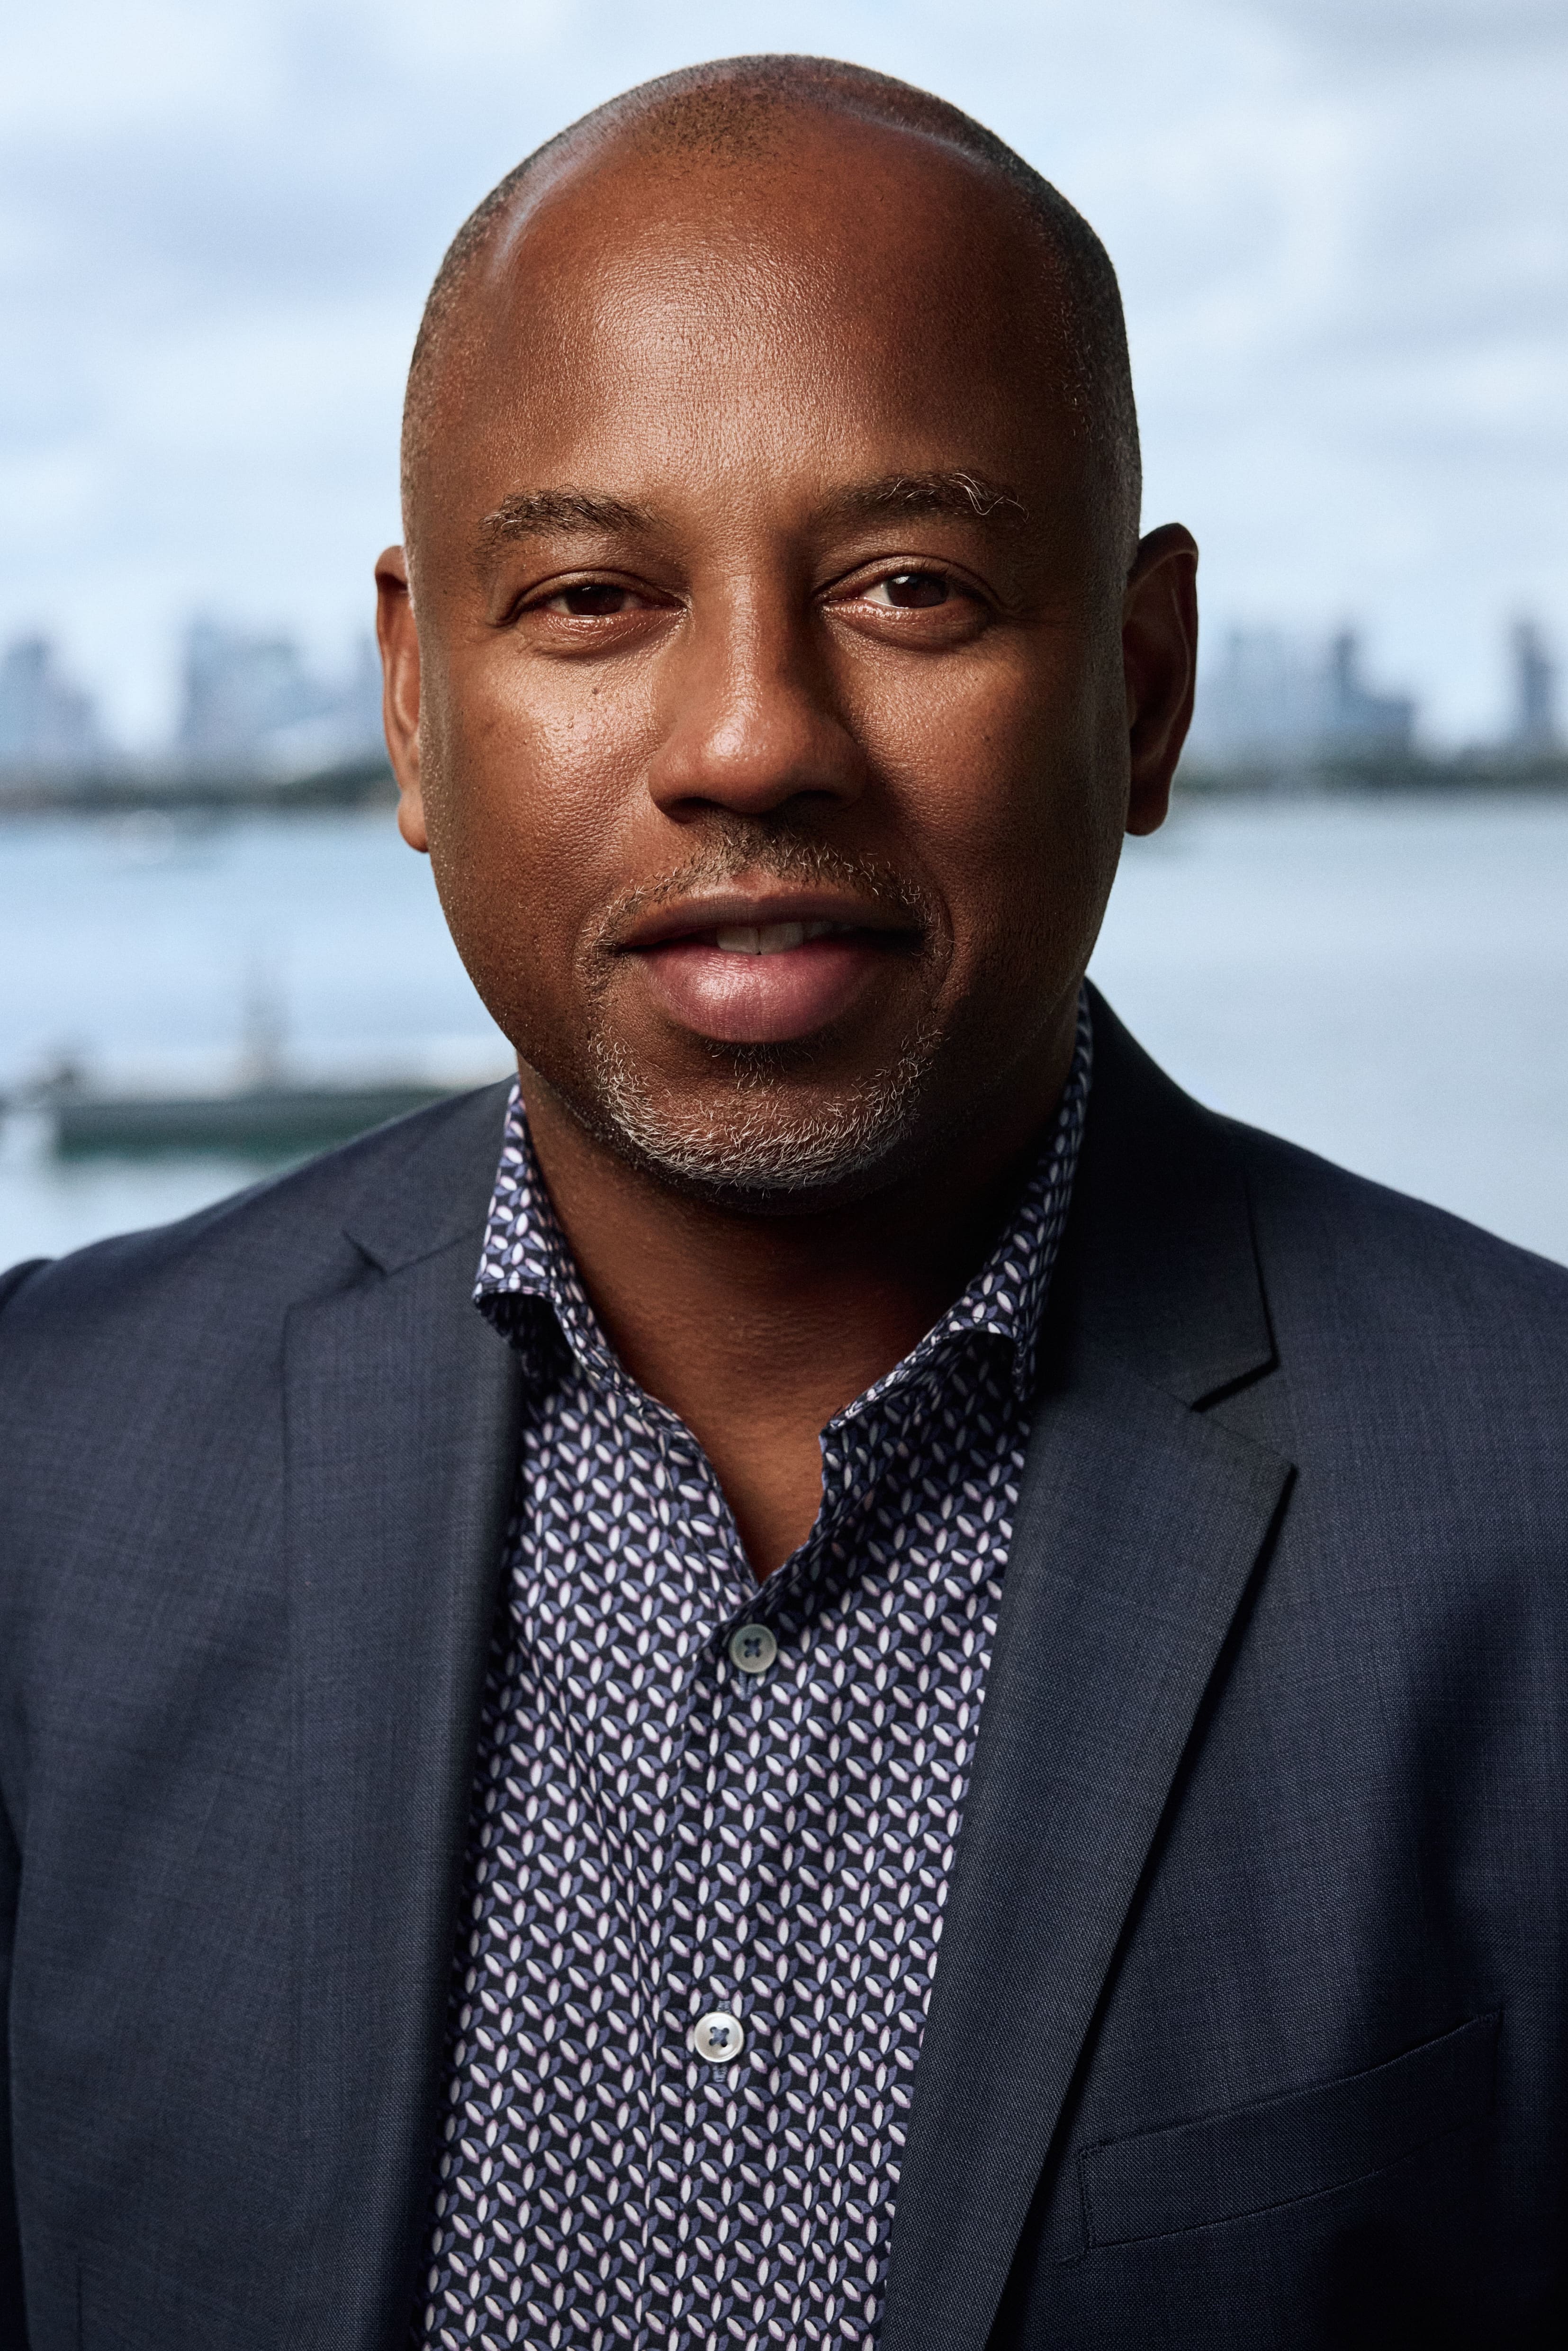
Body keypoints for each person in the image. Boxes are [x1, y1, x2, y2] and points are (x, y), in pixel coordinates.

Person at [0, 53, 1563, 2351]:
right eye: (595, 594)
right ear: (416, 709)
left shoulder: (1531, 1514)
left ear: (1142, 689)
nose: (751, 735)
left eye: (914, 586)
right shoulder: (45, 1477)